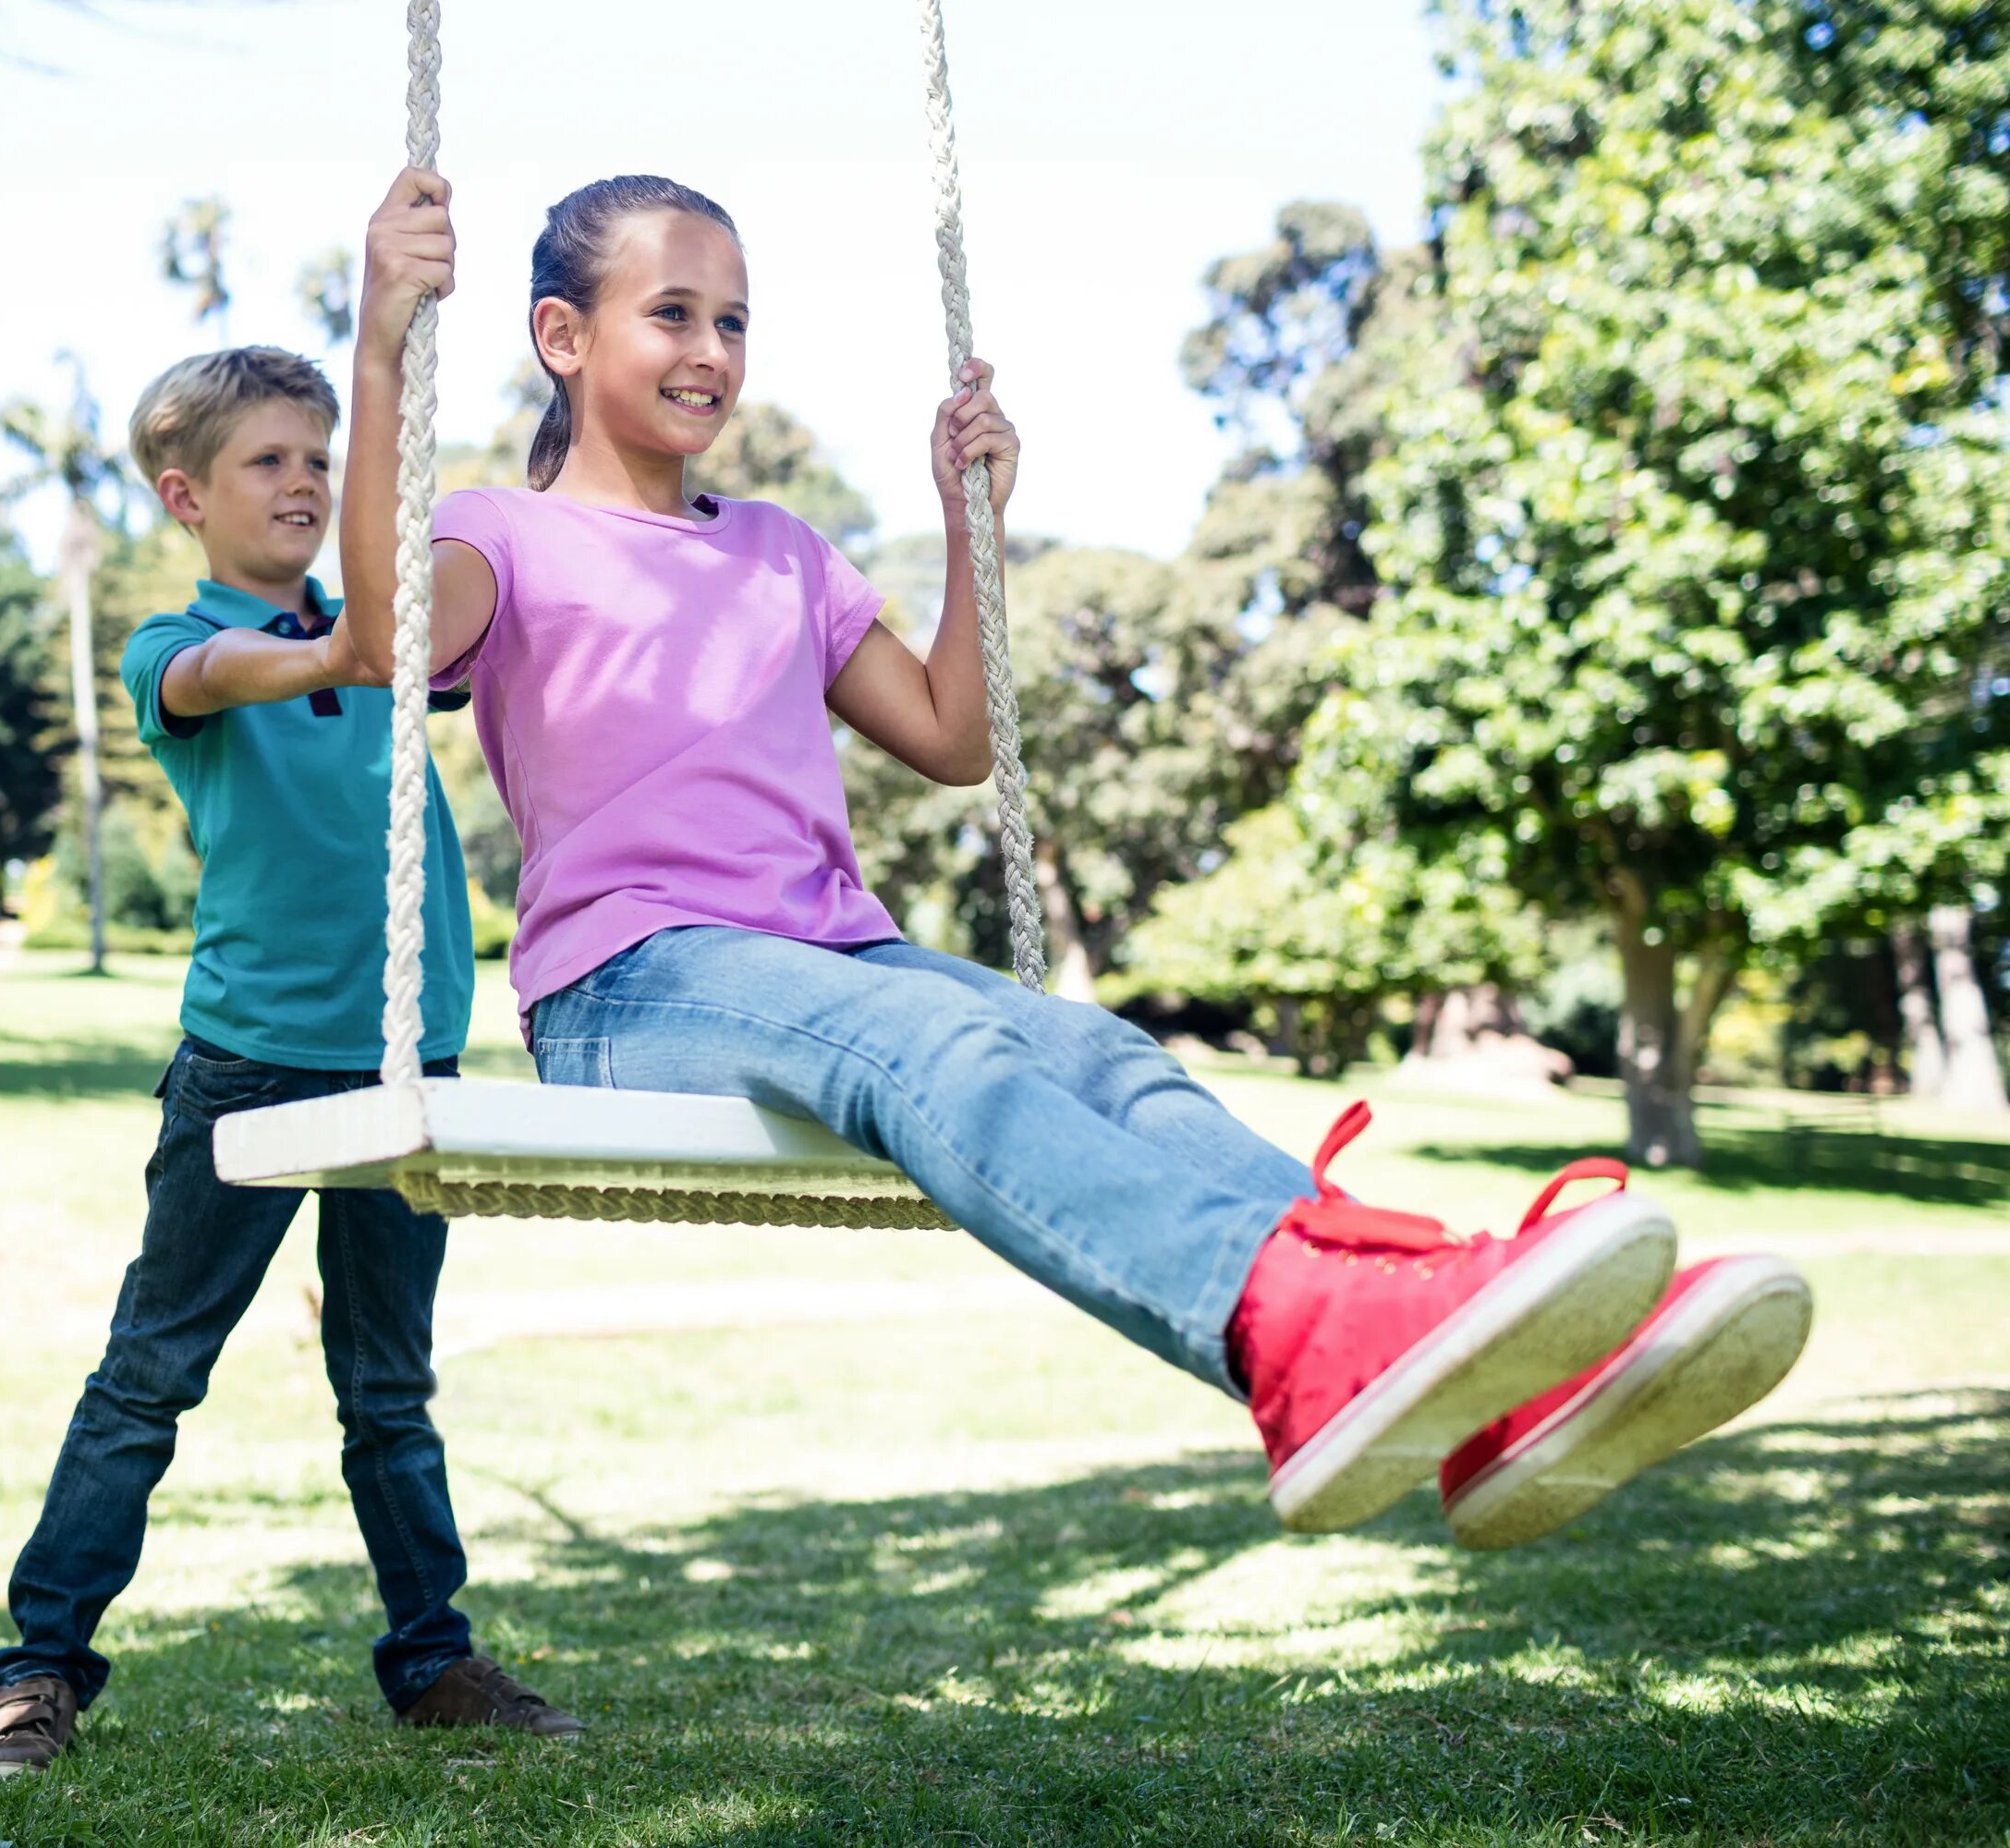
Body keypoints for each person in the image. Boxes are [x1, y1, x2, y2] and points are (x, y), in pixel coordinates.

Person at [335, 169, 1810, 1552]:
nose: (712, 349)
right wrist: (383, 346)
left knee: (1109, 1059)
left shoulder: (782, 552)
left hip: (832, 963)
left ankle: (1465, 1341)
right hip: (635, 986)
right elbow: (391, 638)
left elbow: (950, 734)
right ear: (559, 335)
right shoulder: (503, 534)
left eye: (732, 319)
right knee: (943, 1044)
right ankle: (1294, 1330)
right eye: (673, 314)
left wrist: (975, 526)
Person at [0, 346, 580, 1778]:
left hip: (406, 1069)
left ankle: (433, 1662)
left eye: (319, 457)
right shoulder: (174, 649)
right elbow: (229, 671)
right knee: (150, 1376)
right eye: (268, 462)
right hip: (248, 1067)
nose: (302, 482)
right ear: (187, 495)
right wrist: (346, 649)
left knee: (390, 1387)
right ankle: (38, 1674)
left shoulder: (392, 624)